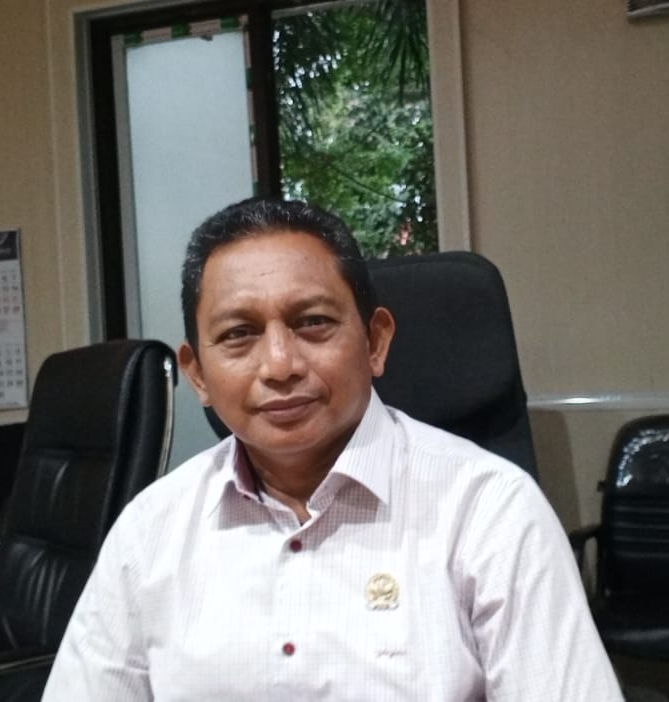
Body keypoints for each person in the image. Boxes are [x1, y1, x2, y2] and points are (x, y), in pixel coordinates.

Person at [42, 199, 622, 701]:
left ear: (375, 342)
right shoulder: (150, 530)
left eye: (313, 322)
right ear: (197, 375)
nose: (279, 365)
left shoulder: (491, 512)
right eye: (239, 334)